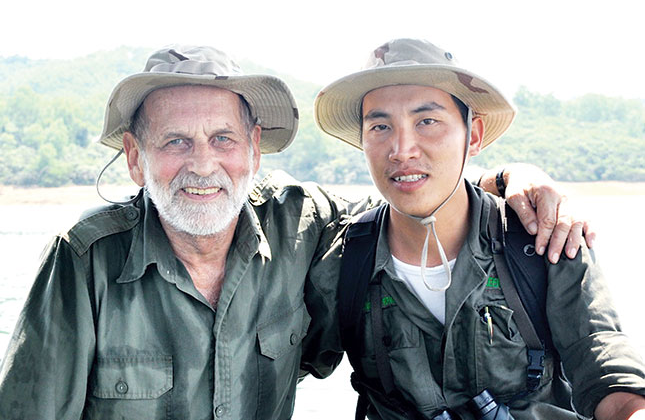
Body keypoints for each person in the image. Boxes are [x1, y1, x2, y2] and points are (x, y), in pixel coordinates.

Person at [0, 44, 591, 420]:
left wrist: (514, 178)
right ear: (135, 156)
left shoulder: (303, 224)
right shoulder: (86, 261)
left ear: (254, 149)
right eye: (175, 141)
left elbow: (411, 189)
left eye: (223, 139)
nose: (203, 164)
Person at [314, 38, 645, 420]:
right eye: (380, 126)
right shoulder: (342, 260)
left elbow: (607, 371)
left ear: (472, 136)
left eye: (427, 121)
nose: (402, 149)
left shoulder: (540, 239)